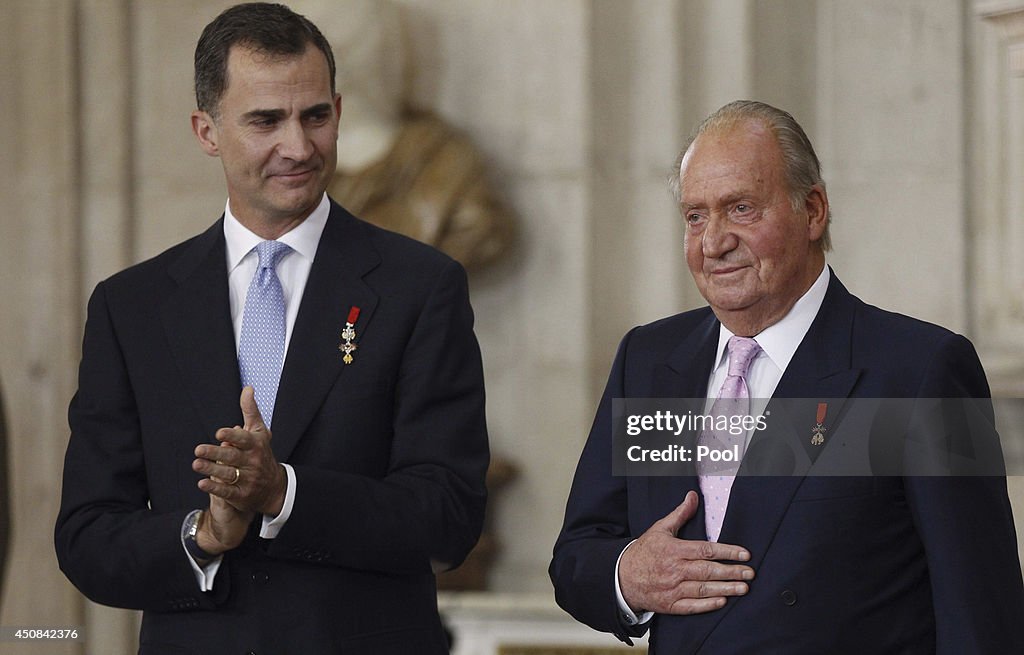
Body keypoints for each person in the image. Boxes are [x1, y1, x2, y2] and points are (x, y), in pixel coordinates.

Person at [54, 4, 488, 653]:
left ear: (338, 110)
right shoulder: (131, 307)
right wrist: (204, 532)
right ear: (207, 130)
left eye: (315, 115)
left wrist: (286, 493)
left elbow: (448, 518)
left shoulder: (420, 286)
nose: (299, 146)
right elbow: (87, 537)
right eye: (266, 120)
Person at [549, 100, 1024, 653]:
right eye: (695, 215)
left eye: (741, 208)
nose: (713, 242)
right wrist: (628, 574)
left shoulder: (919, 370)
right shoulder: (651, 361)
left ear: (812, 211)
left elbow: (981, 612)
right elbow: (578, 556)